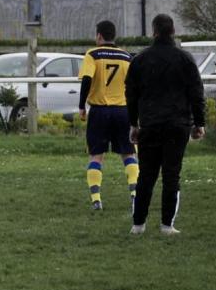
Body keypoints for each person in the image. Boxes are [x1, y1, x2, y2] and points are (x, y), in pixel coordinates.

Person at [124, 14, 205, 236]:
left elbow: (131, 94)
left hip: (150, 124)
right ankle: (167, 225)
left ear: (154, 31)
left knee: (146, 176)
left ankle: (138, 224)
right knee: (172, 175)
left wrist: (133, 123)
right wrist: (199, 123)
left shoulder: (140, 60)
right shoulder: (185, 59)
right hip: (177, 125)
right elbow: (196, 93)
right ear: (173, 31)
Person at [77, 20, 137, 211]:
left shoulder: (92, 54)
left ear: (99, 36)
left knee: (96, 156)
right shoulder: (126, 57)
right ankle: (135, 195)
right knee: (129, 154)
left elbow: (86, 79)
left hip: (100, 111)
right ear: (114, 36)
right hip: (122, 111)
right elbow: (134, 87)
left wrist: (81, 106)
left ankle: (96, 199)